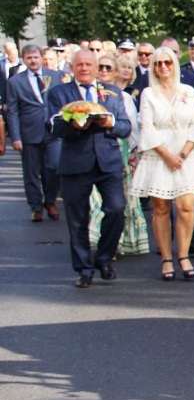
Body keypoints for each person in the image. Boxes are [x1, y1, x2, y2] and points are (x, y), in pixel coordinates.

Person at [47, 49, 133, 287]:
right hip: (75, 162)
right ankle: (84, 269)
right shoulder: (58, 93)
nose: (84, 68)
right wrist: (73, 126)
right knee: (77, 218)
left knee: (116, 208)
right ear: (72, 68)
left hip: (107, 161)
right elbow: (53, 127)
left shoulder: (112, 92)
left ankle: (104, 258)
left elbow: (125, 127)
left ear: (96, 68)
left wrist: (110, 123)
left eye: (89, 64)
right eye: (79, 64)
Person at [130, 47, 194, 281]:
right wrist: (167, 155)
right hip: (158, 155)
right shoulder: (148, 93)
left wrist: (181, 155)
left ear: (175, 64)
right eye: (158, 63)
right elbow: (147, 128)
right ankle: (166, 258)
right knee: (161, 208)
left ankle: (183, 255)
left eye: (167, 62)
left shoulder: (188, 91)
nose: (163, 67)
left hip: (186, 155)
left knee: (186, 207)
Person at [87, 54, 150, 257]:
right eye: (101, 67)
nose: (104, 71)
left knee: (117, 203)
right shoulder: (86, 94)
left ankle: (116, 243)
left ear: (115, 72)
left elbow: (131, 129)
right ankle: (99, 240)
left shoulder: (123, 97)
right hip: (88, 154)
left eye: (108, 68)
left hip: (117, 153)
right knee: (95, 201)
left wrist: (131, 156)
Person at [7, 44, 70, 221]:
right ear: (23, 59)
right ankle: (36, 207)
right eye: (29, 58)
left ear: (41, 58)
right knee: (31, 172)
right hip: (29, 132)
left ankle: (50, 201)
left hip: (53, 131)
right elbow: (12, 111)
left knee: (55, 166)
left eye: (36, 57)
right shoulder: (15, 82)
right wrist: (16, 137)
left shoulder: (55, 76)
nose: (33, 61)